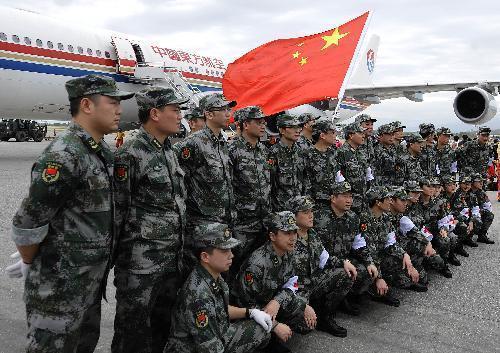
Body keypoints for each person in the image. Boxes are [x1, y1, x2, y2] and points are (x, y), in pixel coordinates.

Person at [6, 74, 134, 352]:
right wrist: (31, 264)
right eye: (112, 102)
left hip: (87, 285)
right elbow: (28, 222)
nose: (119, 110)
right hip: (59, 288)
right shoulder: (65, 154)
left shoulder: (98, 151)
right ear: (87, 105)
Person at [111, 87, 189, 353]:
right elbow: (117, 211)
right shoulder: (131, 153)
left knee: (162, 327)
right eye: (175, 110)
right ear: (155, 113)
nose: (180, 116)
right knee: (132, 333)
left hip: (171, 260)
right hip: (140, 266)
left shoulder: (169, 150)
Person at [165, 223, 272, 353]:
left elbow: (220, 309)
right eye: (224, 250)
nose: (231, 255)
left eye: (230, 250)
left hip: (218, 334)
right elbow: (210, 348)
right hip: (197, 348)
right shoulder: (199, 297)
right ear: (205, 257)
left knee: (261, 328)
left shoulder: (213, 274)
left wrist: (251, 312)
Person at [231, 211, 313, 353]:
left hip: (271, 304)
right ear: (272, 236)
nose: (293, 238)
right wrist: (275, 325)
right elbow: (245, 305)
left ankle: (272, 336)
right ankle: (267, 341)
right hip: (252, 310)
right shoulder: (257, 264)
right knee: (262, 328)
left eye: (294, 232)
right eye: (287, 233)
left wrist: (278, 301)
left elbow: (293, 283)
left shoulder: (289, 251)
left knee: (303, 316)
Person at [174, 93, 236, 269]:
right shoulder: (193, 144)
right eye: (222, 109)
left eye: (228, 109)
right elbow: (178, 183)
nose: (227, 113)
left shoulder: (221, 143)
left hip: (223, 222)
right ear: (208, 114)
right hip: (202, 227)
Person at [290, 196, 354, 337]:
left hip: (312, 284)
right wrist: (303, 305)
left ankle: (325, 317)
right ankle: (274, 338)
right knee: (305, 325)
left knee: (345, 273)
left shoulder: (311, 234)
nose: (311, 215)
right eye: (306, 212)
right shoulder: (288, 240)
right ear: (294, 216)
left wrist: (343, 262)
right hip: (295, 291)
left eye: (311, 211)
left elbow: (325, 258)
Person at [314, 181, 377, 316]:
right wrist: (341, 263)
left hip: (344, 262)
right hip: (322, 264)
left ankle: (343, 298)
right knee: (345, 273)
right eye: (344, 196)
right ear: (333, 198)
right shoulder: (319, 218)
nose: (349, 200)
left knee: (367, 271)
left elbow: (359, 244)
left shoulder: (353, 218)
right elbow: (316, 251)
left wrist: (369, 262)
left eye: (350, 196)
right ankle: (325, 312)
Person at [360, 186, 423, 305]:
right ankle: (371, 291)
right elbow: (368, 252)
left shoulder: (385, 218)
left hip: (379, 254)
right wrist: (379, 278)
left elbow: (391, 243)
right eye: (387, 198)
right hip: (366, 259)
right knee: (367, 271)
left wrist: (404, 255)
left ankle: (390, 283)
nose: (390, 201)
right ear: (378, 202)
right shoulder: (364, 221)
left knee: (400, 259)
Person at [228, 106, 271, 275]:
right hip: (243, 223)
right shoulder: (232, 150)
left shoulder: (263, 150)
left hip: (263, 219)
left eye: (264, 122)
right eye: (258, 122)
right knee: (236, 264)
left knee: (259, 266)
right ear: (245, 124)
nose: (263, 125)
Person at [268, 113, 309, 211]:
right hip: (282, 210)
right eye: (292, 127)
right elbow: (270, 185)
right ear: (281, 130)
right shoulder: (273, 153)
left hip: (300, 208)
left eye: (298, 127)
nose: (297, 130)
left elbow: (305, 180)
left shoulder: (300, 152)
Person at [336, 122, 372, 214]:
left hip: (363, 200)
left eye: (363, 133)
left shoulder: (360, 152)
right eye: (360, 133)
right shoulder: (342, 153)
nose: (363, 136)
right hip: (350, 202)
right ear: (351, 135)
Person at [305, 118, 341, 206]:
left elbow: (338, 176)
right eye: (332, 133)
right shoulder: (308, 155)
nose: (335, 135)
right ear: (322, 135)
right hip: (317, 205)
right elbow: (305, 185)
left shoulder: (333, 152)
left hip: (333, 203)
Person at [470, 173, 495, 244]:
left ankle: (482, 235)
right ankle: (467, 237)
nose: (481, 183)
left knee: (489, 215)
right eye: (478, 181)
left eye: (482, 181)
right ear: (472, 182)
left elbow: (488, 206)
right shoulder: (466, 191)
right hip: (467, 213)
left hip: (476, 212)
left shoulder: (481, 193)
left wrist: (481, 212)